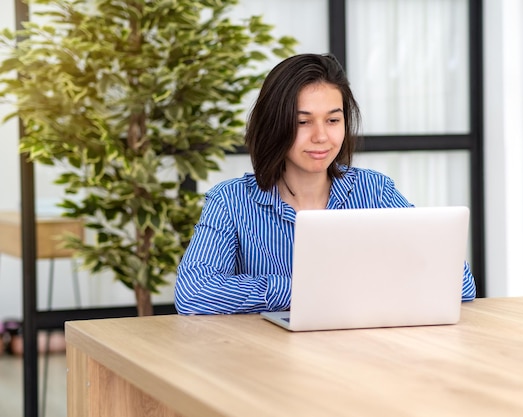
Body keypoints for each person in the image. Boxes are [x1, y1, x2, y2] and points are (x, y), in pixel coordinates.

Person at [175, 53, 476, 315]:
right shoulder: (231, 201)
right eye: (302, 122)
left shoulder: (375, 191)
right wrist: (312, 290)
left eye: (333, 120)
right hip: (269, 361)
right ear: (274, 124)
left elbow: (458, 284)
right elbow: (193, 292)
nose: (321, 137)